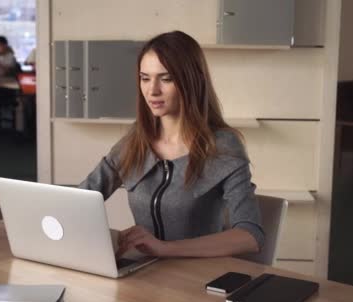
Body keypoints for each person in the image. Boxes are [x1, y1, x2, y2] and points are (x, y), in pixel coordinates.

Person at [79, 31, 264, 258]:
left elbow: (250, 235)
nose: (152, 90)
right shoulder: (136, 139)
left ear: (191, 81)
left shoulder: (224, 146)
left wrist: (166, 249)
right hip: (144, 273)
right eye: (145, 78)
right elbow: (83, 197)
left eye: (166, 79)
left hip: (198, 278)